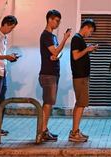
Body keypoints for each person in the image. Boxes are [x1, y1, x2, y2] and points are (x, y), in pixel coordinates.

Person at [39, 9, 71, 142]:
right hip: (47, 74)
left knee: (49, 103)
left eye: (59, 21)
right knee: (47, 103)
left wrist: (56, 54)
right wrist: (65, 38)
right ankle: (42, 131)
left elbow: (56, 54)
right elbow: (55, 51)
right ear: (50, 19)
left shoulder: (53, 37)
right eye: (57, 20)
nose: (58, 23)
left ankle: (44, 130)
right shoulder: (46, 35)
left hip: (53, 72)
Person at [69, 19, 97, 142]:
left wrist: (88, 49)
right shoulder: (76, 39)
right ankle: (74, 133)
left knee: (79, 103)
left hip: (82, 76)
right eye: (90, 31)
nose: (90, 34)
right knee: (81, 103)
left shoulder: (79, 39)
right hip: (79, 77)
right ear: (86, 27)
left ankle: (75, 130)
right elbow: (76, 56)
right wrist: (87, 50)